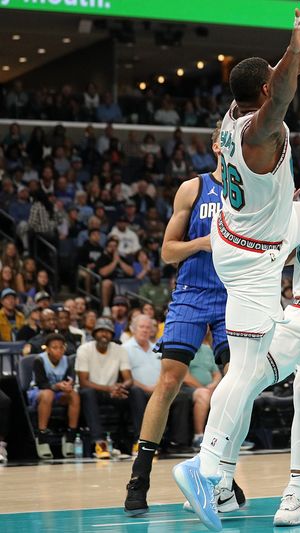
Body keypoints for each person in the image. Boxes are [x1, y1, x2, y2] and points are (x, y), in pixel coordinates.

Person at [171, 6, 300, 530]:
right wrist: (298, 41)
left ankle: (220, 481)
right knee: (244, 370)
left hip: (236, 240)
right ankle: (207, 464)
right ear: (267, 93)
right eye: (277, 85)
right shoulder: (262, 130)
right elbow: (284, 86)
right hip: (256, 262)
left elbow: (281, 78)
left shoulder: (234, 116)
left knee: (250, 369)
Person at [124, 124, 234, 516]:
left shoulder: (255, 192)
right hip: (191, 294)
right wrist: (204, 243)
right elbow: (168, 252)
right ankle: (140, 476)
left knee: (235, 383)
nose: (232, 138)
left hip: (232, 296)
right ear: (216, 144)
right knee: (169, 381)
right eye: (226, 133)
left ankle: (219, 470)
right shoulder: (194, 187)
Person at [76, 318, 146, 459]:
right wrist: (109, 388)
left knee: (136, 391)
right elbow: (83, 382)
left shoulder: (119, 350)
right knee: (87, 392)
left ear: (112, 335)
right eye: (101, 331)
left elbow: (128, 379)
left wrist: (121, 387)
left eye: (107, 332)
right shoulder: (84, 349)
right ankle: (99, 442)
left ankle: (140, 441)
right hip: (94, 391)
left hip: (113, 392)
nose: (104, 334)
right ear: (94, 333)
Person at [124, 315, 193, 453]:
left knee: (183, 396)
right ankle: (142, 441)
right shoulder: (125, 348)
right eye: (141, 327)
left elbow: (165, 370)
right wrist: (147, 388)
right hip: (138, 389)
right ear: (133, 329)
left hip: (158, 388)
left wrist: (159, 386)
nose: (145, 330)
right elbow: (127, 377)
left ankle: (177, 442)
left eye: (148, 327)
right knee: (136, 393)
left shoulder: (156, 347)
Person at [28, 333, 80, 459]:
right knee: (48, 394)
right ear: (47, 349)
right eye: (54, 347)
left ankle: (70, 436)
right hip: (38, 392)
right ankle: (42, 436)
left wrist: (68, 385)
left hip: (59, 392)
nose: (58, 350)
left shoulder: (67, 360)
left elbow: (70, 378)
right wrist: (57, 386)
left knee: (74, 395)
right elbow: (41, 383)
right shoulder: (39, 360)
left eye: (61, 347)